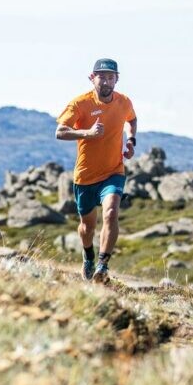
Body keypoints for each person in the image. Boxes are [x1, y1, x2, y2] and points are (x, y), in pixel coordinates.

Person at [56, 58, 137, 283]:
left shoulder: (123, 102)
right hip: (85, 176)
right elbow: (60, 132)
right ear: (92, 78)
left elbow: (132, 119)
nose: (106, 81)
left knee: (110, 213)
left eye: (111, 77)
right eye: (102, 77)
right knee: (87, 227)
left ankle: (102, 265)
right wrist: (88, 134)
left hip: (113, 172)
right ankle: (88, 256)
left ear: (117, 79)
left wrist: (131, 140)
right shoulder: (80, 103)